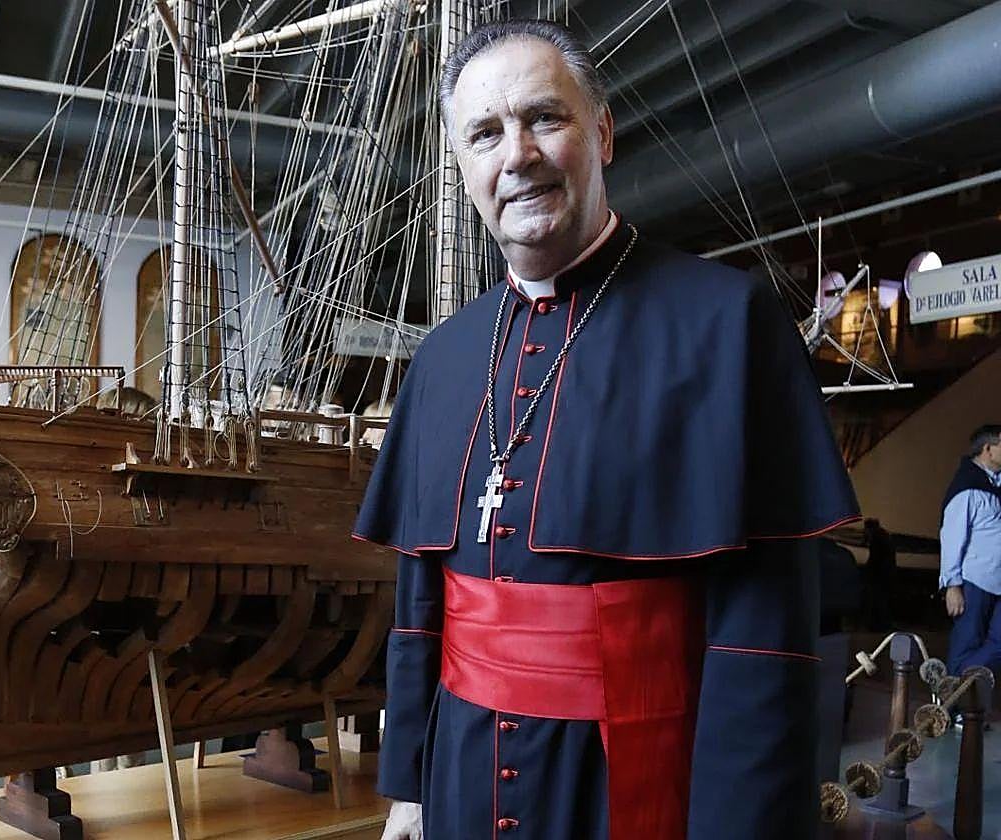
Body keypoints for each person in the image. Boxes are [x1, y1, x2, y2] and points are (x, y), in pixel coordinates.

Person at [354, 20, 858, 840]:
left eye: (544, 118)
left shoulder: (729, 325)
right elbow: (421, 602)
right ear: (463, 167)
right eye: (485, 134)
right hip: (462, 778)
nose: (517, 155)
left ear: (603, 133)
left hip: (637, 780)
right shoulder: (443, 358)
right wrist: (409, 785)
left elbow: (764, 641)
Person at [940, 425, 1001, 677]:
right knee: (966, 645)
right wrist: (952, 585)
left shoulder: (995, 484)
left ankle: (959, 682)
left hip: (997, 580)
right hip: (974, 582)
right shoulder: (967, 488)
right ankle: (953, 696)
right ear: (988, 449)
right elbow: (952, 537)